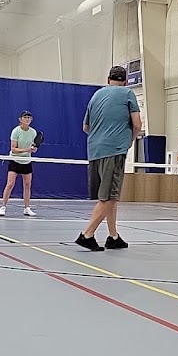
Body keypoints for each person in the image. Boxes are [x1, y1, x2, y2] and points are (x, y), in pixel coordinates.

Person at [75, 65, 141, 251]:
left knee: (110, 195)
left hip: (94, 151)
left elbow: (85, 127)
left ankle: (113, 236)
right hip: (114, 149)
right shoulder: (128, 94)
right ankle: (87, 235)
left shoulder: (96, 95)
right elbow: (137, 124)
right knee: (109, 196)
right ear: (125, 81)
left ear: (108, 80)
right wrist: (129, 140)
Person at [0, 110, 37, 217]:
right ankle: (3, 207)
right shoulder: (16, 131)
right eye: (25, 117)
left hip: (27, 161)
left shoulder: (33, 132)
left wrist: (33, 150)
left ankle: (27, 208)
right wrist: (27, 150)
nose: (27, 119)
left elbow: (33, 147)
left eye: (29, 117)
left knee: (27, 185)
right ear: (20, 119)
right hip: (15, 160)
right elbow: (13, 149)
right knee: (10, 183)